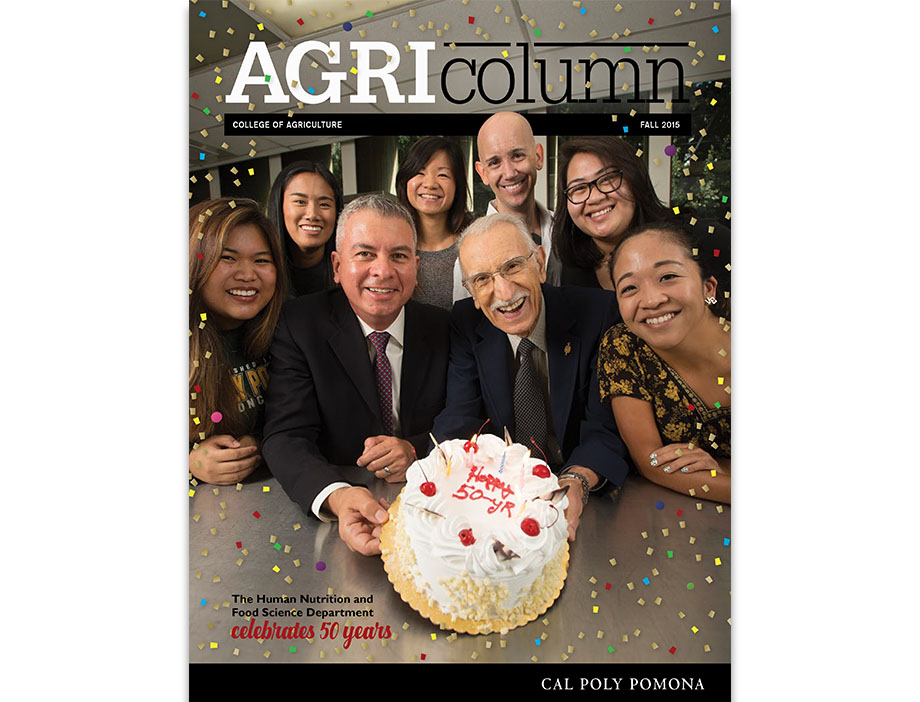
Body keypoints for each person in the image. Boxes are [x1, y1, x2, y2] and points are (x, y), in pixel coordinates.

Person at [262, 194, 451, 555]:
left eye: (398, 256)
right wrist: (336, 496)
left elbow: (467, 420)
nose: (382, 270)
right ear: (336, 265)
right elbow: (286, 435)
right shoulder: (299, 325)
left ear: (416, 265)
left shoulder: (444, 327)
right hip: (341, 523)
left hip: (437, 519)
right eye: (365, 254)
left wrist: (416, 449)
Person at [432, 213, 631, 541]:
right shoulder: (466, 322)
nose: (504, 292)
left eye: (512, 266)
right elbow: (460, 416)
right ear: (469, 289)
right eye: (482, 279)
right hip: (502, 503)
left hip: (589, 505)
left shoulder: (599, 313)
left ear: (539, 263)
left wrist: (577, 482)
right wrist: (450, 475)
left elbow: (606, 428)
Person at [598, 221, 731, 503]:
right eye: (629, 288)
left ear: (708, 287)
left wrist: (724, 476)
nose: (652, 300)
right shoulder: (623, 347)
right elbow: (652, 463)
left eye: (668, 276)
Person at [188, 197, 289, 485]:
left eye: (261, 260)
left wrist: (261, 442)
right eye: (227, 257)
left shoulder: (290, 332)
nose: (247, 275)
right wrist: (191, 462)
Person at [451, 111, 560, 301]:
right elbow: (469, 324)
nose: (509, 173)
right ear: (482, 173)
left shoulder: (566, 230)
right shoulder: (469, 253)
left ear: (538, 157)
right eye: (495, 162)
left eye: (517, 155)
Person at [550, 135, 672, 291]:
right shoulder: (573, 272)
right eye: (579, 188)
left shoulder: (693, 241)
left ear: (634, 180)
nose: (595, 198)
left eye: (607, 179)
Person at [396, 136, 472, 310]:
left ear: (457, 185)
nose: (430, 184)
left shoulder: (474, 244)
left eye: (442, 175)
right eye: (420, 172)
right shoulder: (392, 248)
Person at [266, 160, 344, 297]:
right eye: (300, 202)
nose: (312, 214)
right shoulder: (262, 273)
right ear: (279, 207)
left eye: (324, 204)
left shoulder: (348, 273)